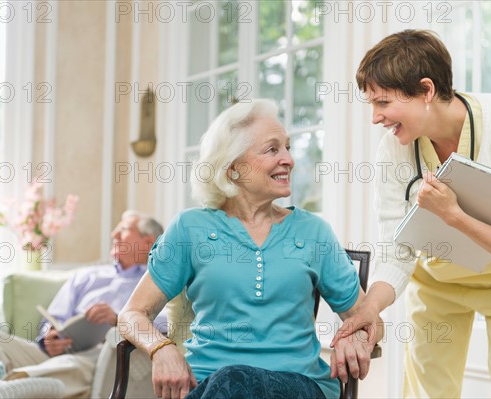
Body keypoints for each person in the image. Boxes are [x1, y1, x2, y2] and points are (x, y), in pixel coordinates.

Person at [118, 99, 383, 399]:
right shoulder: (189, 229)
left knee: (234, 378)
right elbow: (131, 315)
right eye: (272, 149)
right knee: (228, 382)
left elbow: (370, 318)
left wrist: (359, 336)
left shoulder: (313, 232)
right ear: (232, 167)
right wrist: (161, 349)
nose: (288, 160)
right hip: (207, 385)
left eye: (287, 147)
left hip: (298, 385)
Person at [332, 29, 491, 398]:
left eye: (382, 103)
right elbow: (395, 250)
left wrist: (454, 215)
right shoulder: (394, 150)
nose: (375, 117)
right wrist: (370, 308)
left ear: (426, 90)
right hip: (437, 286)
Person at [0, 210, 167, 399]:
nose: (114, 234)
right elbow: (53, 318)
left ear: (148, 243)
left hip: (102, 358)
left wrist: (117, 320)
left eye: (123, 229)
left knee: (79, 363)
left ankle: (0, 387)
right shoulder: (86, 275)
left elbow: (166, 327)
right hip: (57, 353)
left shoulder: (157, 283)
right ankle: (8, 387)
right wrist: (48, 336)